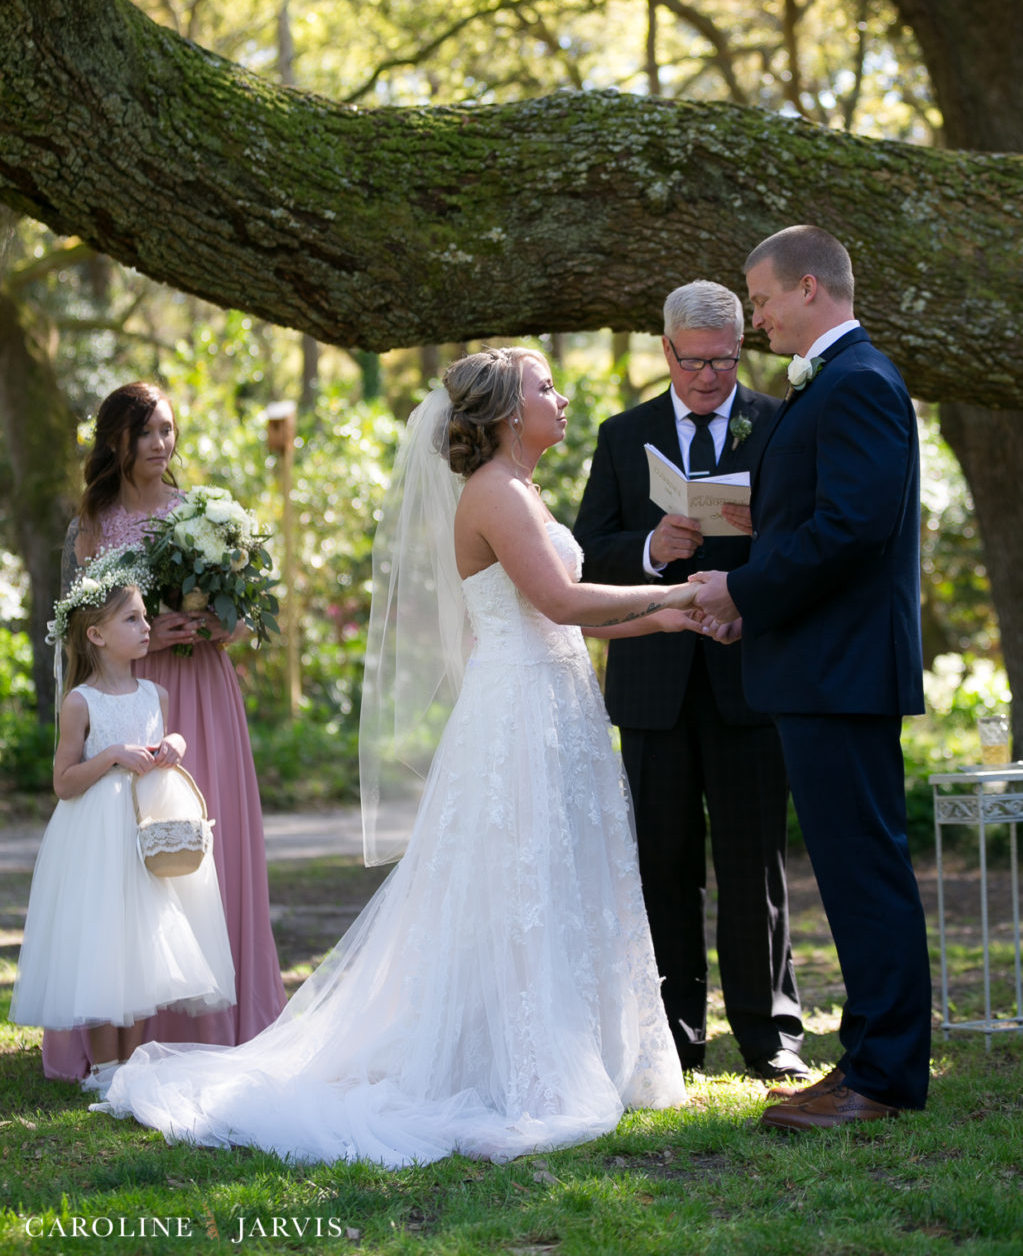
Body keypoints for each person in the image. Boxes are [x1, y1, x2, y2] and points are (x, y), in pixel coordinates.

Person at [98, 348, 696, 1165]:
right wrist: (679, 593)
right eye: (545, 387)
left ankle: (586, 1047)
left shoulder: (522, 488)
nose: (561, 396)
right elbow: (561, 599)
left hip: (556, 699)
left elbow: (568, 619)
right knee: (515, 880)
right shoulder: (492, 493)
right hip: (516, 711)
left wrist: (669, 620)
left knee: (558, 876)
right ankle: (520, 1062)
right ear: (506, 414)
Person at [691, 227, 932, 1131]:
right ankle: (866, 1057)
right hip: (818, 668)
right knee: (848, 869)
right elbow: (821, 523)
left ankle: (888, 1076)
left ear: (805, 287)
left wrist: (743, 586)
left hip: (843, 672)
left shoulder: (862, 382)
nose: (754, 318)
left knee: (867, 872)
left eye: (759, 299)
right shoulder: (835, 382)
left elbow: (852, 530)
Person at [574, 281, 804, 1081]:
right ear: (665, 350)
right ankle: (674, 1037)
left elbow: (812, 540)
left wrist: (760, 536)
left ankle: (770, 1032)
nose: (709, 377)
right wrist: (650, 547)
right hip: (653, 681)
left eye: (724, 360)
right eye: (695, 360)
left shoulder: (779, 425)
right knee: (663, 862)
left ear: (741, 348)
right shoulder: (622, 434)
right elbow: (583, 552)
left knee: (754, 862)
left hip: (750, 672)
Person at [43, 382, 285, 1082]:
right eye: (145, 431)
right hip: (134, 701)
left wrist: (218, 623)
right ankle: (124, 1038)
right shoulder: (92, 524)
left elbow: (245, 615)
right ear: (115, 438)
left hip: (204, 692)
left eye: (168, 430)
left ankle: (215, 1024)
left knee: (209, 842)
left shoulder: (200, 513)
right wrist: (148, 640)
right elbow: (76, 634)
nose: (160, 443)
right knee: (129, 859)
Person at [11, 578, 235, 1090]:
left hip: (145, 829)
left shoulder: (156, 692)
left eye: (143, 616)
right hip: (97, 833)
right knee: (103, 938)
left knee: (143, 942)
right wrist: (111, 755)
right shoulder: (80, 702)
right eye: (132, 619)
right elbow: (63, 783)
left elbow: (161, 741)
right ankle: (105, 1066)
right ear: (96, 635)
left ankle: (133, 1065)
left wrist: (172, 742)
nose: (146, 627)